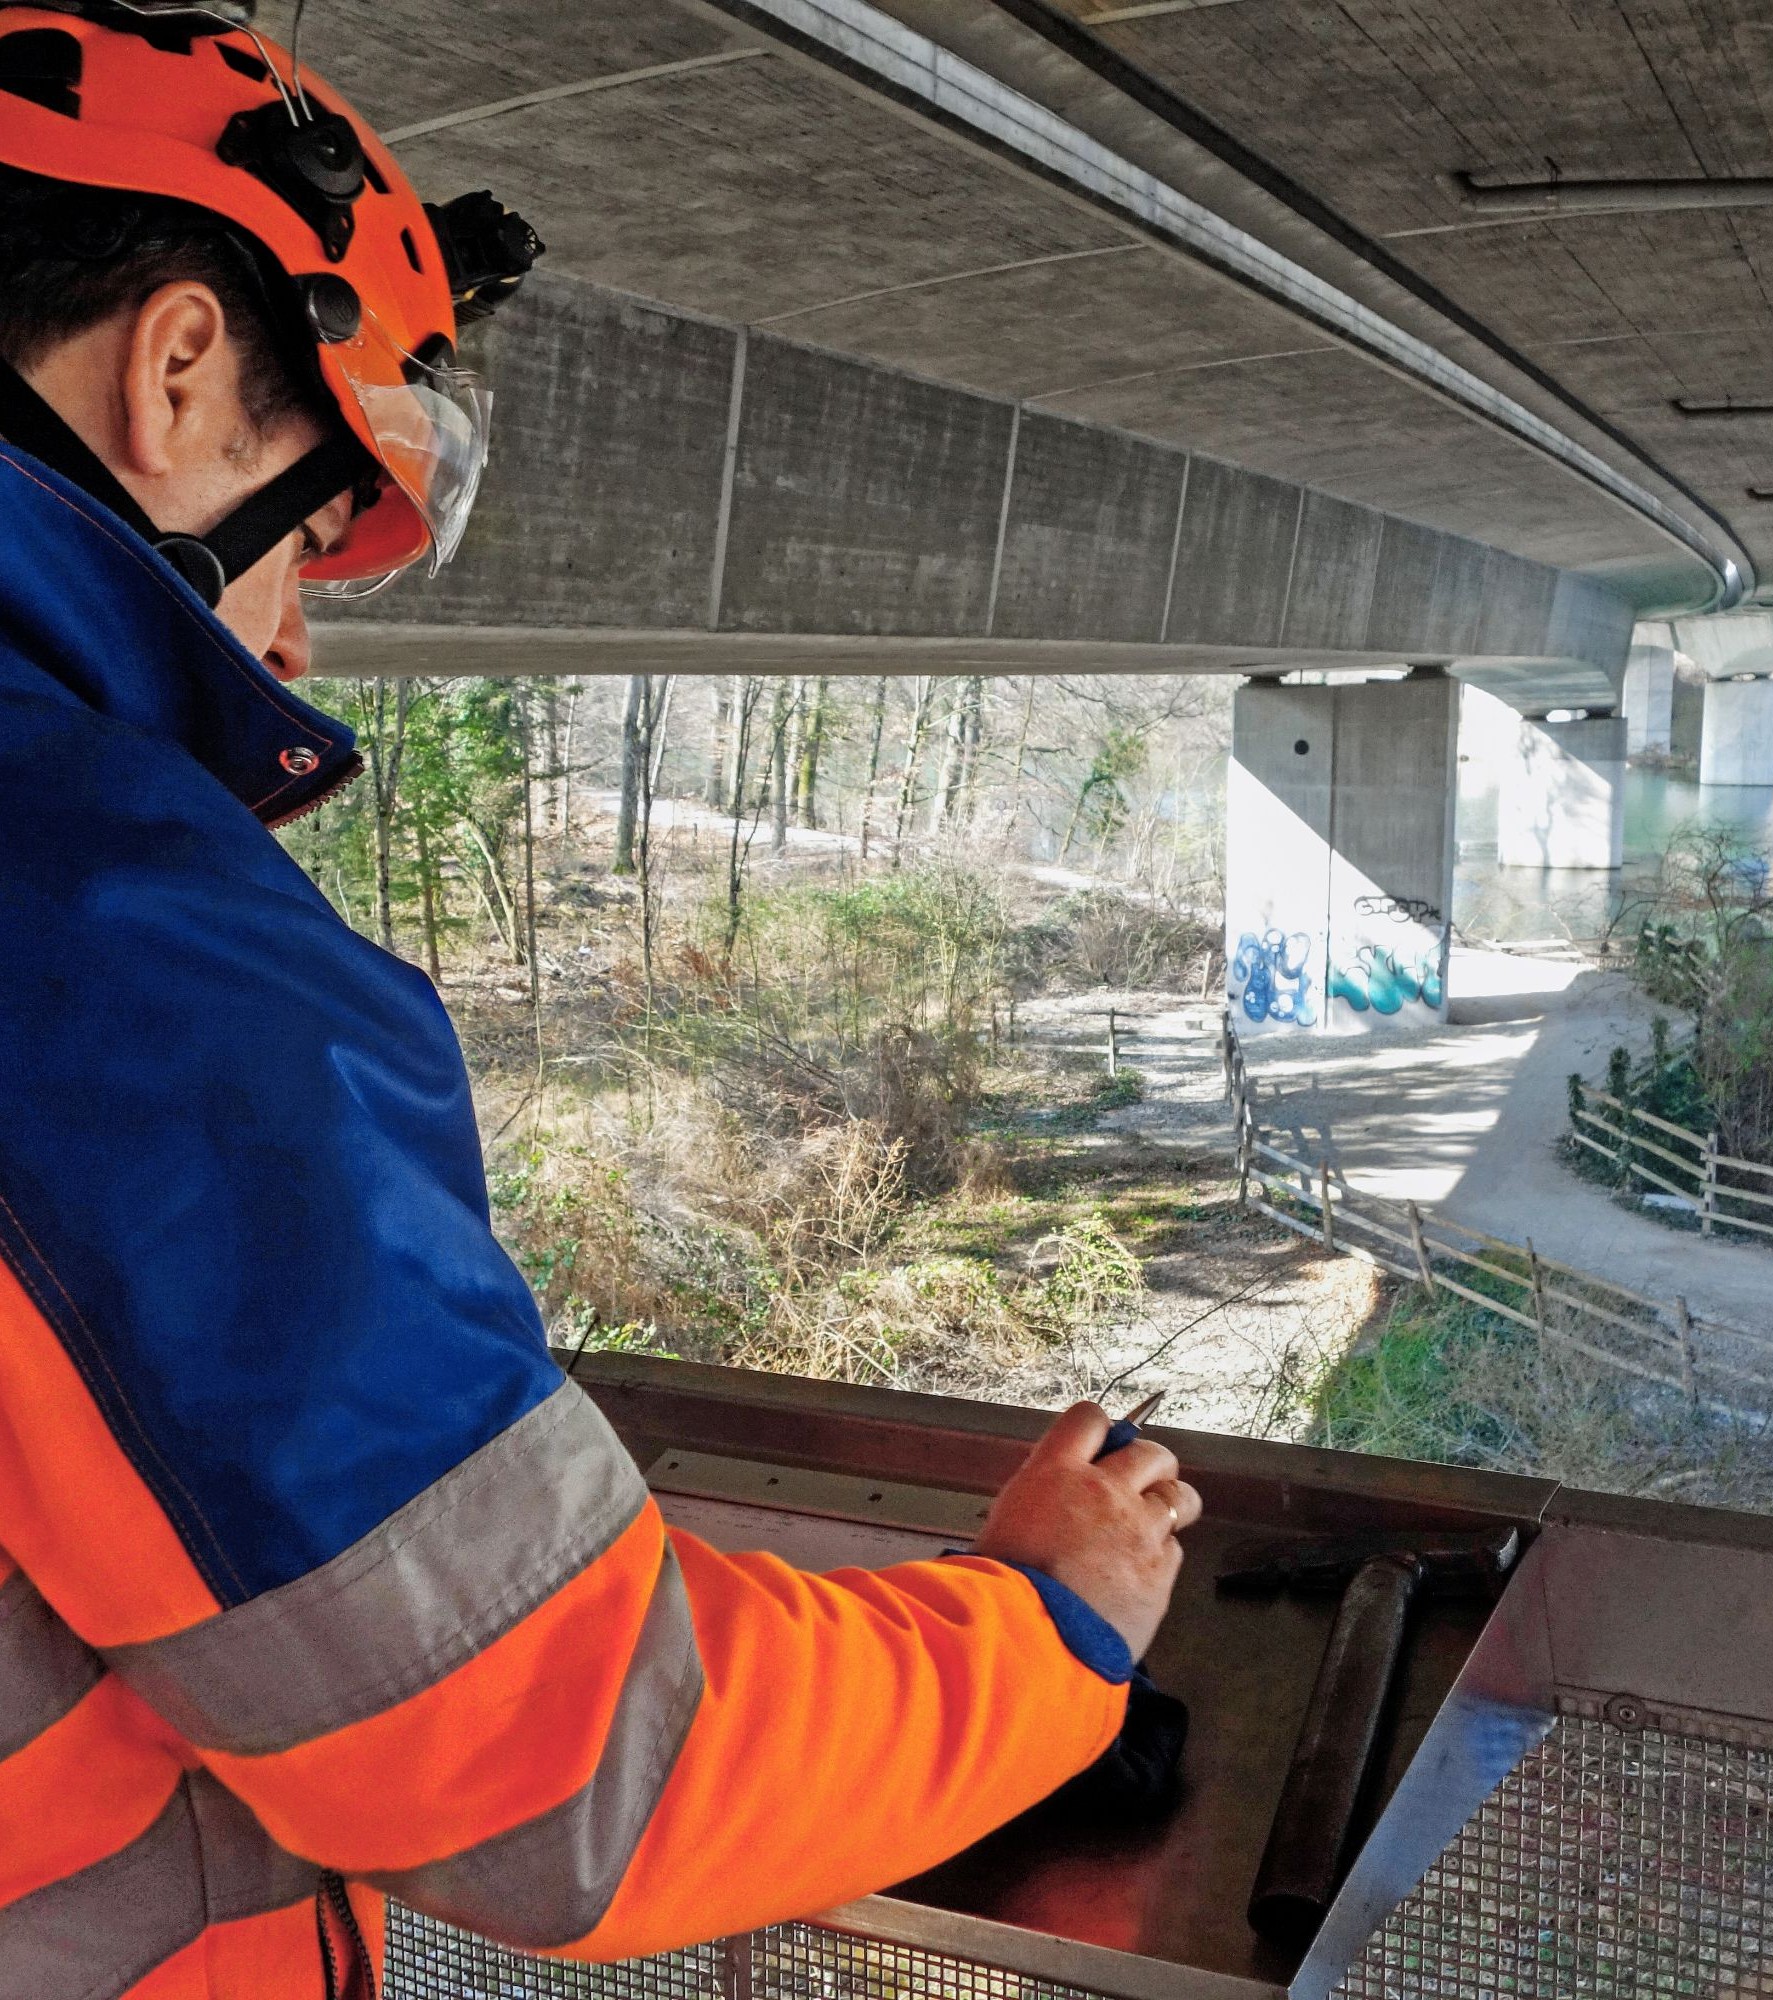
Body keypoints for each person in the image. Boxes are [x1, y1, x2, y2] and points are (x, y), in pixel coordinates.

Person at [0, 7, 1200, 1995]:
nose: (297, 633)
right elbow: (566, 1761)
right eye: (307, 535)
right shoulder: (102, 932)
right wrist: (1048, 1630)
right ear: (180, 364)